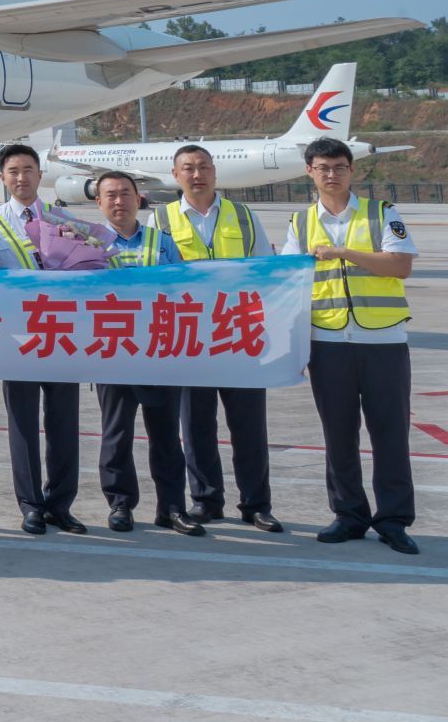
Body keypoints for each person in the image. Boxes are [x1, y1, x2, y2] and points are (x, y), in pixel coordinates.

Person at [283, 137, 421, 555]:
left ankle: (393, 519)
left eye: (339, 167)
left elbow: (401, 265)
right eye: (323, 168)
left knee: (390, 433)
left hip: (382, 340)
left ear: (352, 170)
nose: (332, 174)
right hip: (328, 343)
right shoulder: (300, 222)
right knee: (338, 434)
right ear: (309, 172)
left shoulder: (382, 212)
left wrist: (343, 252)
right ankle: (348, 514)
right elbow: (289, 284)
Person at [151, 144, 279, 532]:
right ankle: (206, 500)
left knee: (249, 425)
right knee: (196, 425)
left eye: (203, 166)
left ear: (214, 172)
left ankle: (256, 504)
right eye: (188, 168)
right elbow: (153, 277)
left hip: (239, 333)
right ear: (176, 176)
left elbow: (267, 270)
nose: (197, 174)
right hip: (190, 336)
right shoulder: (161, 218)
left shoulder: (243, 216)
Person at [0, 143, 86, 536]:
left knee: (64, 422)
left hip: (60, 332)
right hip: (17, 335)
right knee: (22, 423)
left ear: (40, 175)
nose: (21, 178)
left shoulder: (63, 218)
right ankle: (30, 505)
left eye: (27, 170)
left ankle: (61, 504)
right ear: (3, 178)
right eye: (13, 171)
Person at [91, 171, 201, 537]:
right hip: (112, 353)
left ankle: (172, 508)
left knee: (166, 435)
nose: (119, 200)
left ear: (138, 199)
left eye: (125, 193)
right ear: (99, 203)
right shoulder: (87, 245)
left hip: (158, 351)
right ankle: (120, 504)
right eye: (111, 195)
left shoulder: (162, 242)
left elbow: (182, 288)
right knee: (116, 434)